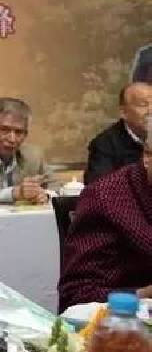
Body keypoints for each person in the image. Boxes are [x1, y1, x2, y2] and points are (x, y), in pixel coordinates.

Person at [58, 134, 152, 312]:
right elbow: (77, 294)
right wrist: (144, 294)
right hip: (123, 320)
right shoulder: (106, 198)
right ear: (147, 157)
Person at [84, 82, 152, 184]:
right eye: (143, 105)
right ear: (123, 112)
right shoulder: (105, 144)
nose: (150, 110)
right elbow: (98, 188)